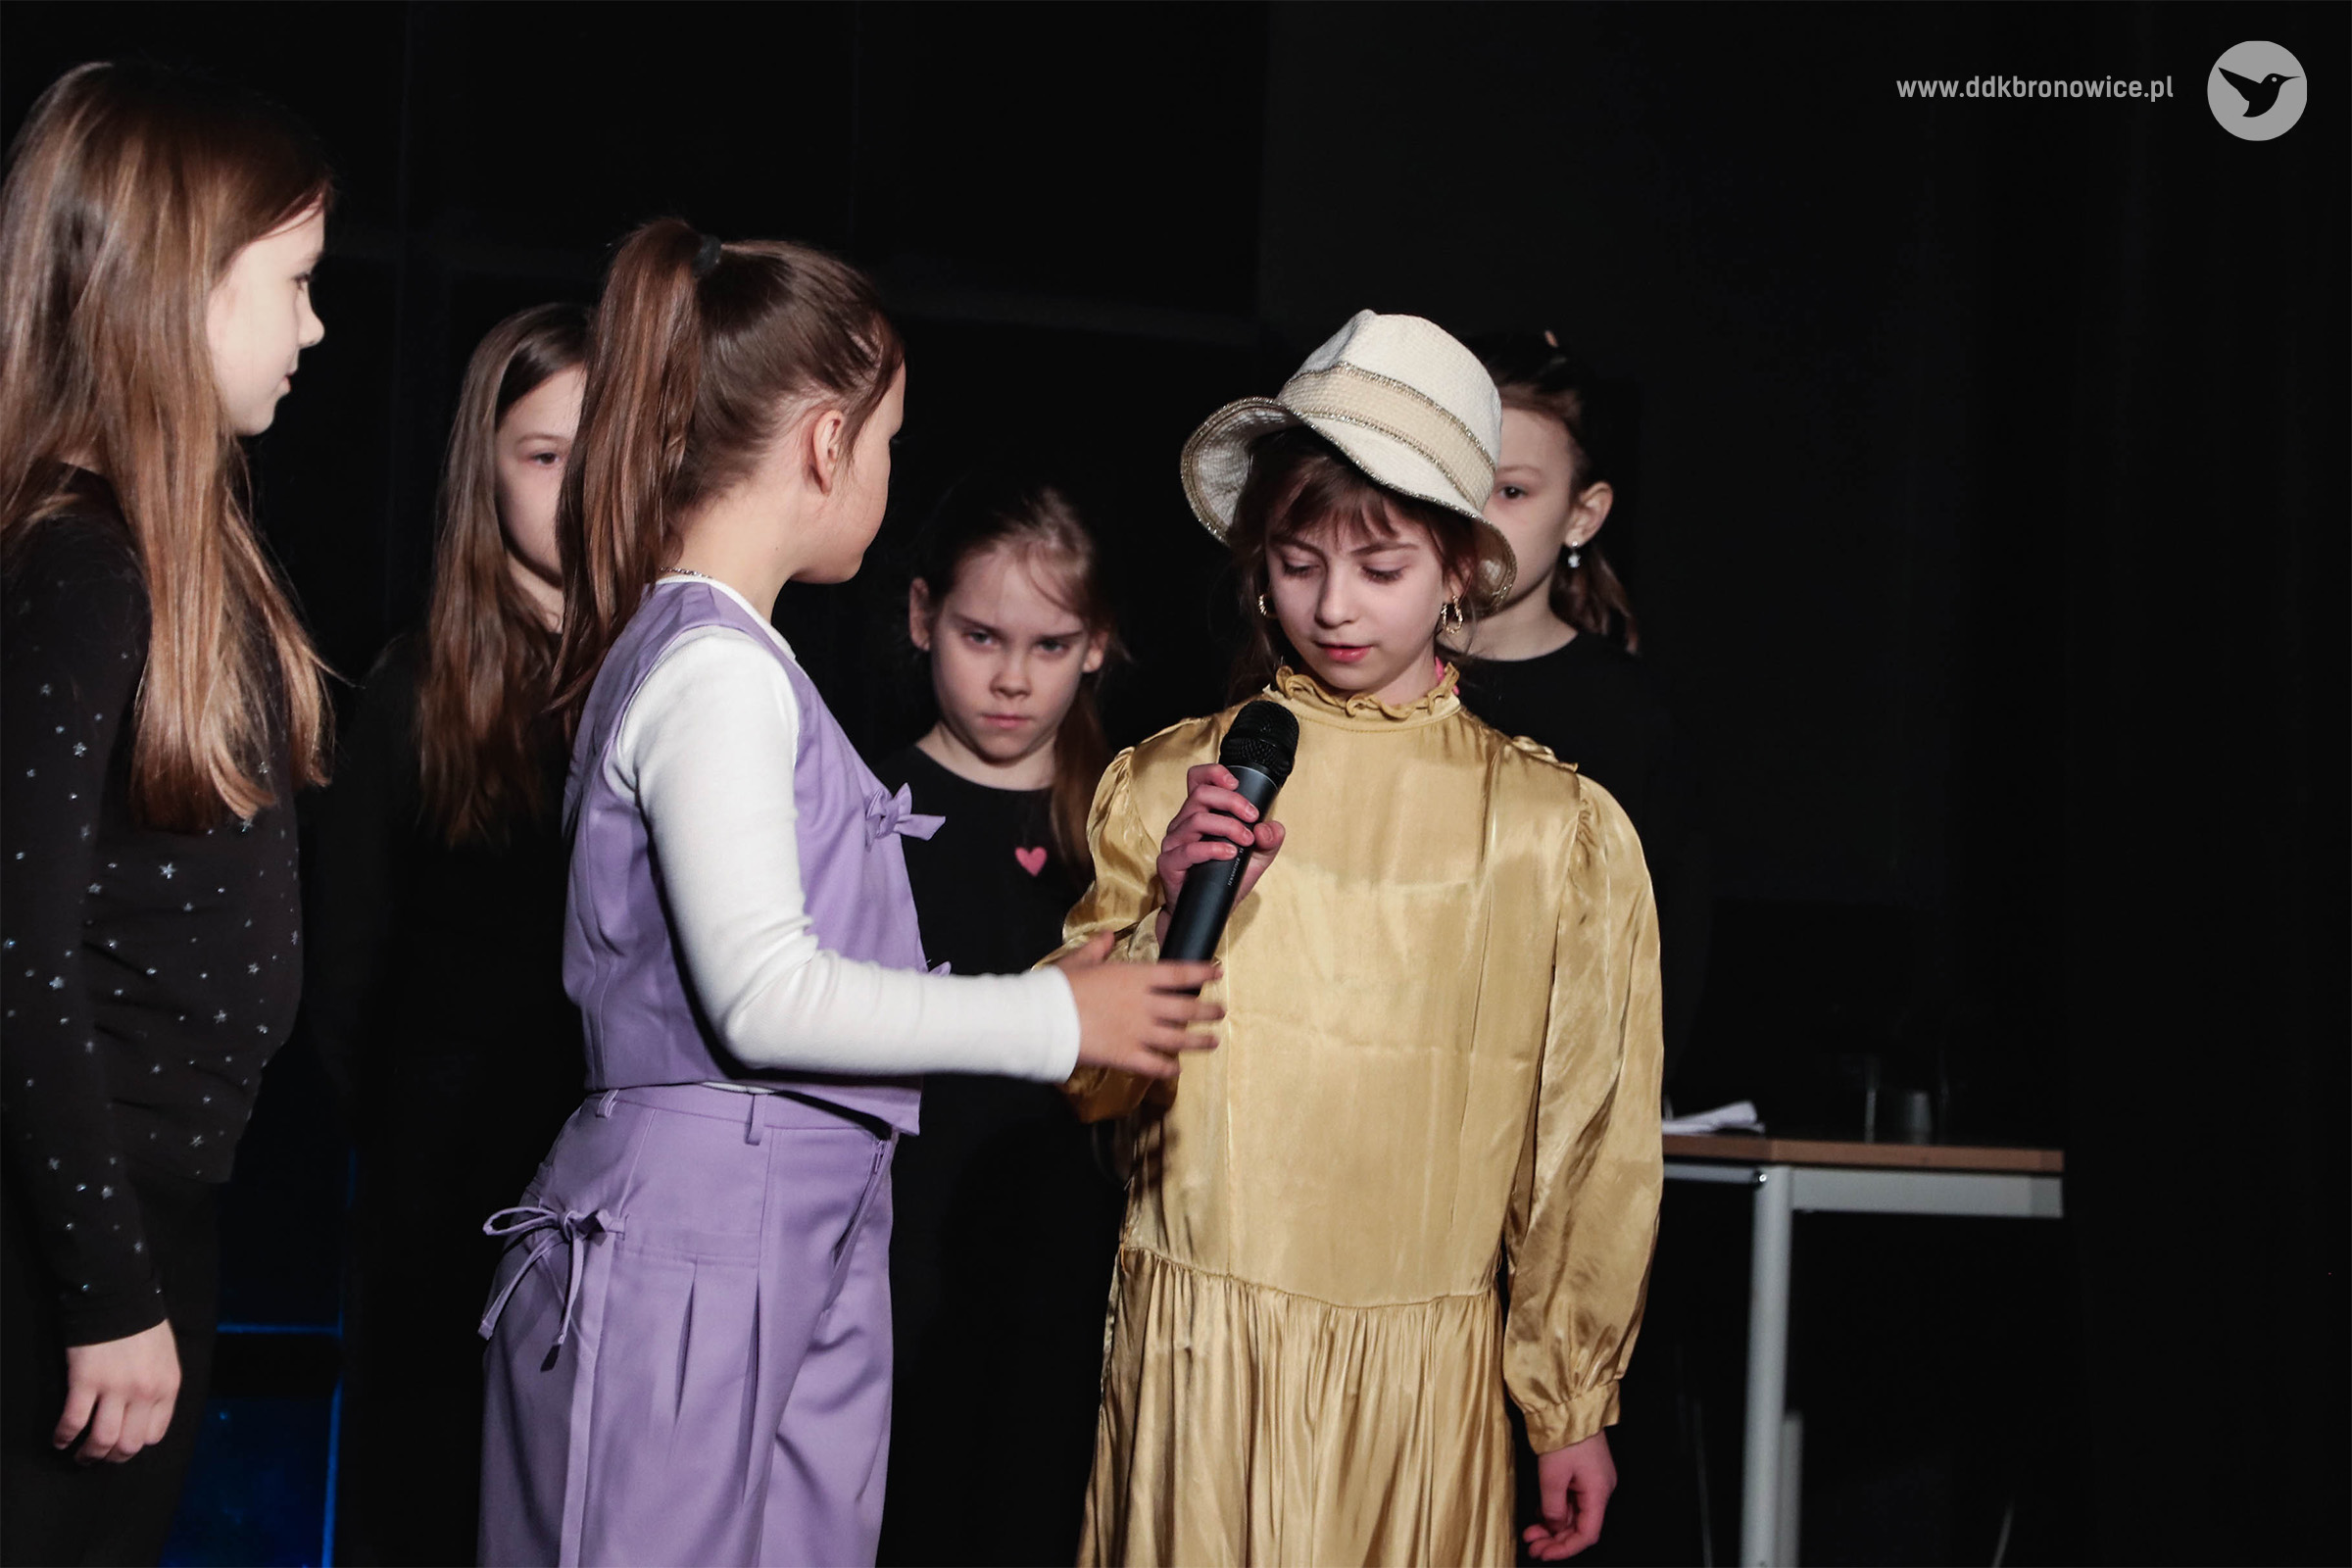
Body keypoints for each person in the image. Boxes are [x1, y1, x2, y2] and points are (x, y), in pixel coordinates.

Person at [474, 220, 1227, 1568]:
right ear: (828, 443)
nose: (884, 469)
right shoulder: (714, 668)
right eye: (887, 442)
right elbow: (766, 997)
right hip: (700, 1230)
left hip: (787, 1223)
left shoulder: (732, 657)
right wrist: (1055, 1022)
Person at [1059, 312, 1663, 1566]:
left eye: (1381, 568)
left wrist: (1569, 1402)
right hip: (1200, 1364)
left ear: (1459, 569)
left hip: (1422, 1388)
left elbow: (1588, 1135)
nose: (1332, 606)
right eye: (1297, 563)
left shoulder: (1551, 828)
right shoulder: (1175, 782)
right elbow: (1082, 1076)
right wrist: (1167, 912)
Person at [0, 62, 332, 1565]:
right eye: (295, 283)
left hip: (152, 1204)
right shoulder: (78, 568)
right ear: (181, 292)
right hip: (75, 1230)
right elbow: (16, 956)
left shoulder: (168, 558)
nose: (316, 329)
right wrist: (107, 1287)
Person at [302, 303, 589, 1565]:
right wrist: (402, 1149)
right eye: (544, 454)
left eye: (600, 452)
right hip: (439, 1189)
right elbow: (343, 964)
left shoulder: (672, 675)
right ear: (487, 467)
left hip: (598, 1185)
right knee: (423, 1504)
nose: (577, 487)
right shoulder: (414, 684)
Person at [871, 474, 1125, 1566]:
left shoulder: (1125, 824)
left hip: (1069, 1249)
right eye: (981, 636)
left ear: (1097, 645)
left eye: (1050, 644)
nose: (1013, 678)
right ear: (922, 615)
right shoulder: (862, 806)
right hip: (897, 1245)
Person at [1449, 330, 1710, 1083]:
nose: (1475, 514)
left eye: (1512, 490)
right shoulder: (1359, 679)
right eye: (1455, 478)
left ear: (1582, 515)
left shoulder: (1632, 720)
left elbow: (1661, 974)